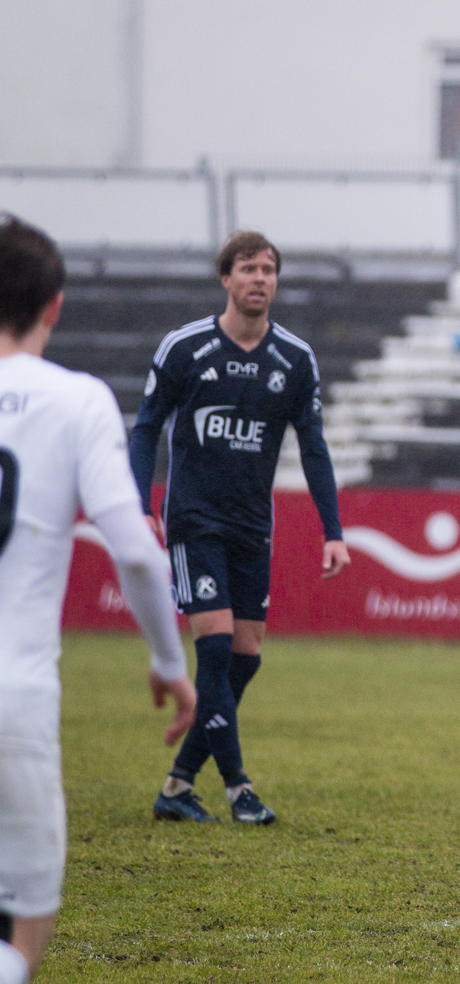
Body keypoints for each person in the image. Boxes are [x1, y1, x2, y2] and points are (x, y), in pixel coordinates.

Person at [0, 215, 198, 984]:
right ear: (55, 305)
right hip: (14, 699)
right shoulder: (77, 401)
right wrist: (166, 662)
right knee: (25, 925)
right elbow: (140, 558)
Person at [130, 230, 350, 826]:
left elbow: (314, 449)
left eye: (269, 269)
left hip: (254, 525)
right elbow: (146, 426)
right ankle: (238, 787)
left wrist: (333, 529)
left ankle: (178, 782)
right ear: (225, 278)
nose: (260, 279)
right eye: (248, 269)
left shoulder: (295, 359)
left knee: (245, 658)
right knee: (218, 648)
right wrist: (138, 500)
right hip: (194, 520)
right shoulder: (186, 347)